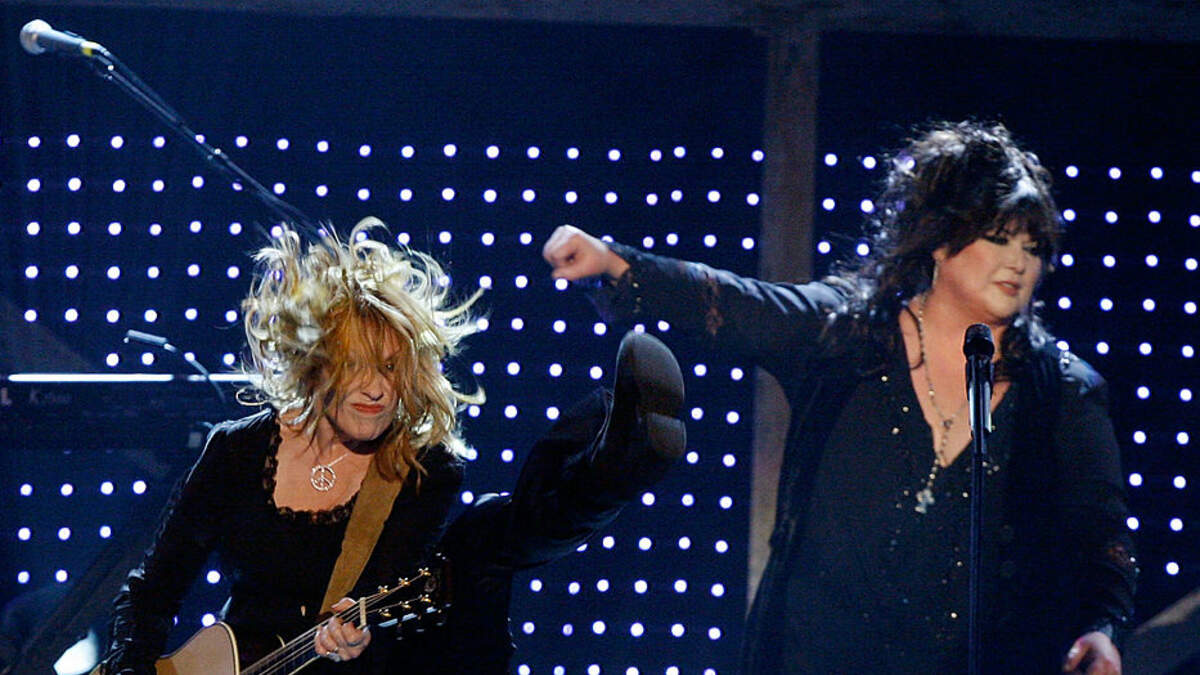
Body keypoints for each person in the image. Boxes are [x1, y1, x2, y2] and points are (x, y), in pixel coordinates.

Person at [543, 121, 1137, 674]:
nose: (1018, 263)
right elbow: (742, 304)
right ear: (940, 239)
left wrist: (1101, 627)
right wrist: (615, 263)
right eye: (999, 238)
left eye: (1033, 247)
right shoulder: (845, 335)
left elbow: (1101, 531)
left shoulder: (1062, 390)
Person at [100, 218, 686, 674]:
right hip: (242, 659)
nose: (378, 390)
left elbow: (396, 599)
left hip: (376, 668)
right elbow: (152, 591)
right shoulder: (236, 452)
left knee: (485, 539)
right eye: (356, 366)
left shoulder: (424, 467)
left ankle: (614, 464)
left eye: (390, 367)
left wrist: (358, 635)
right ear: (315, 366)